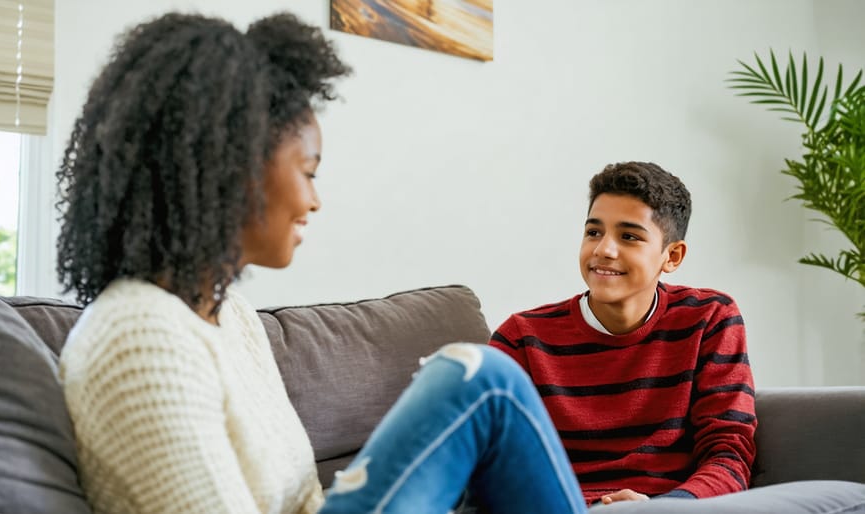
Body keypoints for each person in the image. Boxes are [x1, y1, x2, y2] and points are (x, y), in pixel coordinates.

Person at [55, 11, 589, 514]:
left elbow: (304, 497)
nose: (315, 200)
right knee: (479, 378)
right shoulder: (138, 335)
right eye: (308, 171)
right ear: (230, 165)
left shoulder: (230, 314)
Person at [489, 162, 756, 506]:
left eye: (628, 236)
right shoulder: (521, 338)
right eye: (594, 232)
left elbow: (729, 452)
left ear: (672, 256)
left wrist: (667, 508)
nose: (603, 250)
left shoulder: (710, 318)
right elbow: (499, 467)